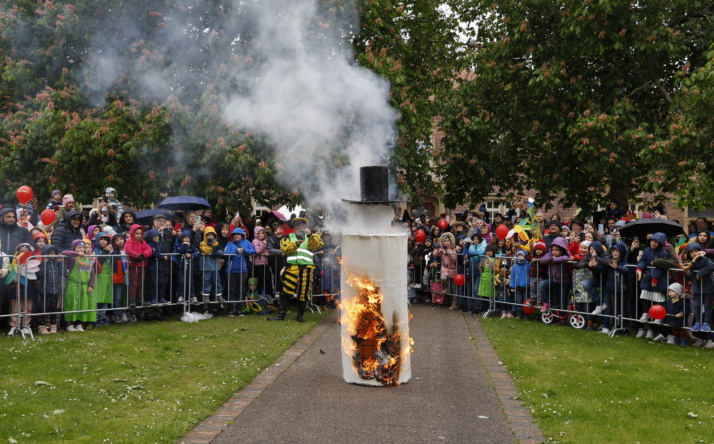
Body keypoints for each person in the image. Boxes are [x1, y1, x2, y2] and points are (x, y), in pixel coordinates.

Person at [268, 217, 323, 322]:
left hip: (307, 267)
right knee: (285, 291)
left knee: (304, 292)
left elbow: (316, 245)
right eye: (299, 225)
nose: (301, 226)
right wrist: (296, 244)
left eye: (303, 224)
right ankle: (280, 316)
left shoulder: (311, 236)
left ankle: (300, 316)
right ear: (295, 226)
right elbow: (285, 250)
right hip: (292, 267)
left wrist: (310, 235)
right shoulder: (288, 237)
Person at [635, 232, 670, 339]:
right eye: (652, 241)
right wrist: (639, 268)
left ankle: (659, 316)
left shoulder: (663, 253)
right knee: (644, 295)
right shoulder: (647, 250)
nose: (653, 243)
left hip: (658, 279)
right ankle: (646, 312)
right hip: (647, 278)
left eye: (656, 242)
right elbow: (643, 260)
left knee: (658, 298)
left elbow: (659, 267)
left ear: (660, 243)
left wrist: (655, 278)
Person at [62, 239, 97, 332]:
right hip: (73, 286)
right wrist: (76, 254)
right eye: (79, 247)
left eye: (83, 247)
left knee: (81, 305)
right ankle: (69, 324)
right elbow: (63, 252)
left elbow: (92, 273)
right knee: (71, 304)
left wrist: (91, 285)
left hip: (84, 287)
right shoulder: (72, 258)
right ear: (74, 248)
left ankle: (78, 323)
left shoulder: (88, 259)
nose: (81, 249)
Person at [682, 242, 714, 334]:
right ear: (688, 253)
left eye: (696, 251)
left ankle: (706, 322)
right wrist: (687, 273)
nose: (694, 254)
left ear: (700, 251)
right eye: (691, 252)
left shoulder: (705, 259)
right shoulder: (689, 262)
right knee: (697, 305)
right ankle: (698, 322)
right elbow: (690, 276)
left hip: (708, 287)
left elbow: (711, 266)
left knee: (707, 305)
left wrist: (700, 273)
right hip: (697, 288)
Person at [537, 237, 573, 313]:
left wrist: (555, 259)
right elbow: (542, 260)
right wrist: (550, 258)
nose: (554, 252)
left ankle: (562, 315)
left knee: (562, 299)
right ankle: (545, 302)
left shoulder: (565, 254)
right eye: (553, 250)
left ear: (562, 250)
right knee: (543, 284)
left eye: (556, 250)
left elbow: (566, 258)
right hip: (553, 280)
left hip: (564, 281)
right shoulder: (549, 255)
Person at [224, 228, 255, 314]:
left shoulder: (247, 242)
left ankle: (239, 309)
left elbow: (253, 251)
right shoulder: (229, 243)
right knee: (231, 290)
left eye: (238, 234)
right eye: (234, 234)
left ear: (242, 235)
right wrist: (235, 251)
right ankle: (231, 309)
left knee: (240, 291)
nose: (236, 236)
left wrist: (244, 250)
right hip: (231, 271)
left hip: (242, 270)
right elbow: (225, 254)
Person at [36, 244, 63, 334]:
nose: (52, 254)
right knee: (43, 308)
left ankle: (53, 326)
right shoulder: (41, 263)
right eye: (49, 252)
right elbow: (39, 275)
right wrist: (44, 262)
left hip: (55, 290)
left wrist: (60, 262)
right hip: (45, 290)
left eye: (53, 252)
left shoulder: (56, 262)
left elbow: (62, 272)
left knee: (53, 308)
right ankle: (42, 326)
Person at [125, 224, 152, 308]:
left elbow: (149, 250)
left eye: (140, 233)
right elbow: (128, 249)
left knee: (141, 284)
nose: (139, 235)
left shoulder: (143, 242)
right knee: (134, 284)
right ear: (133, 233)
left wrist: (144, 255)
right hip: (134, 265)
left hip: (142, 265)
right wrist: (136, 256)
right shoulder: (129, 241)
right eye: (137, 233)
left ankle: (141, 300)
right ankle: (132, 300)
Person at [198, 226, 224, 304]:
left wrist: (219, 252)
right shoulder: (203, 244)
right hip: (206, 267)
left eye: (212, 235)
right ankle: (206, 297)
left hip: (215, 267)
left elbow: (221, 252)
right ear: (205, 236)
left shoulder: (216, 243)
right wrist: (210, 245)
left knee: (217, 282)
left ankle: (219, 296)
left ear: (214, 236)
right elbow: (206, 251)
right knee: (206, 282)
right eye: (208, 235)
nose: (210, 237)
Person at [92, 232, 114, 326]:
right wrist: (105, 252)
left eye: (105, 240)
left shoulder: (110, 251)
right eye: (101, 239)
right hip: (98, 278)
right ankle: (95, 318)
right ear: (97, 240)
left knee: (105, 299)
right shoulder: (95, 251)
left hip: (107, 278)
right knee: (97, 299)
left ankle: (103, 317)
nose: (103, 241)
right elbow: (98, 262)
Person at [433, 232, 458, 310]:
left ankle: (455, 303)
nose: (446, 242)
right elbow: (434, 254)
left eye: (448, 241)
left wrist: (447, 253)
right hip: (445, 268)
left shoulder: (453, 249)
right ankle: (447, 288)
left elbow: (454, 260)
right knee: (443, 278)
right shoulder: (442, 248)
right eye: (445, 241)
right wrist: (438, 250)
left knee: (454, 288)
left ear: (451, 241)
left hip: (453, 269)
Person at [145, 229, 169, 305]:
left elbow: (164, 253)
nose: (156, 238)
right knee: (153, 283)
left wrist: (163, 256)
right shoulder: (149, 245)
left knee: (161, 282)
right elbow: (153, 253)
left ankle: (161, 297)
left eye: (157, 236)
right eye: (154, 237)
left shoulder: (160, 245)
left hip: (160, 267)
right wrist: (162, 257)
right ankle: (153, 298)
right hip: (152, 267)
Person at [252, 226, 274, 303]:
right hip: (258, 264)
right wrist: (264, 245)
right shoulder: (255, 241)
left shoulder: (264, 241)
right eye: (259, 233)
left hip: (265, 263)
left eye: (262, 233)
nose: (261, 235)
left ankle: (269, 294)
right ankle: (260, 294)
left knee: (268, 278)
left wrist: (266, 251)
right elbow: (257, 251)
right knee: (261, 279)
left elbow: (265, 249)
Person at [665, 283, 688, 347]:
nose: (670, 293)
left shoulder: (682, 300)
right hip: (671, 318)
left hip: (680, 319)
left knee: (682, 330)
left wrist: (682, 313)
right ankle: (677, 339)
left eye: (672, 291)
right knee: (674, 330)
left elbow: (686, 308)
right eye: (669, 291)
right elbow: (665, 306)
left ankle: (683, 340)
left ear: (678, 292)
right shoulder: (668, 300)